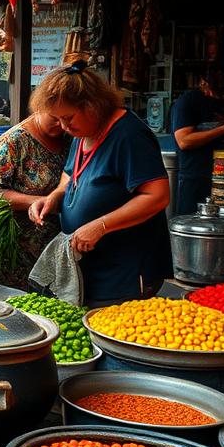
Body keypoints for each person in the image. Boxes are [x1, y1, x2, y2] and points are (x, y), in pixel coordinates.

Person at [29, 61, 171, 306]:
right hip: (94, 268)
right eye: (58, 120)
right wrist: (55, 196)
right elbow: (70, 173)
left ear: (92, 106)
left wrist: (101, 226)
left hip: (125, 271)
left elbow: (157, 196)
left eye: (68, 118)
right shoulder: (83, 131)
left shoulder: (129, 136)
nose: (64, 127)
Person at [0, 108, 70, 288]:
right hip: (18, 250)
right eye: (55, 118)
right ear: (39, 107)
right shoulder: (14, 141)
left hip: (57, 246)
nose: (62, 125)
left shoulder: (70, 138)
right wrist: (39, 202)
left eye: (67, 118)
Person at [170, 74, 224, 215]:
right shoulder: (188, 101)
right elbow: (184, 141)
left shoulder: (220, 104)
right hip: (196, 178)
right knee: (193, 227)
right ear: (203, 83)